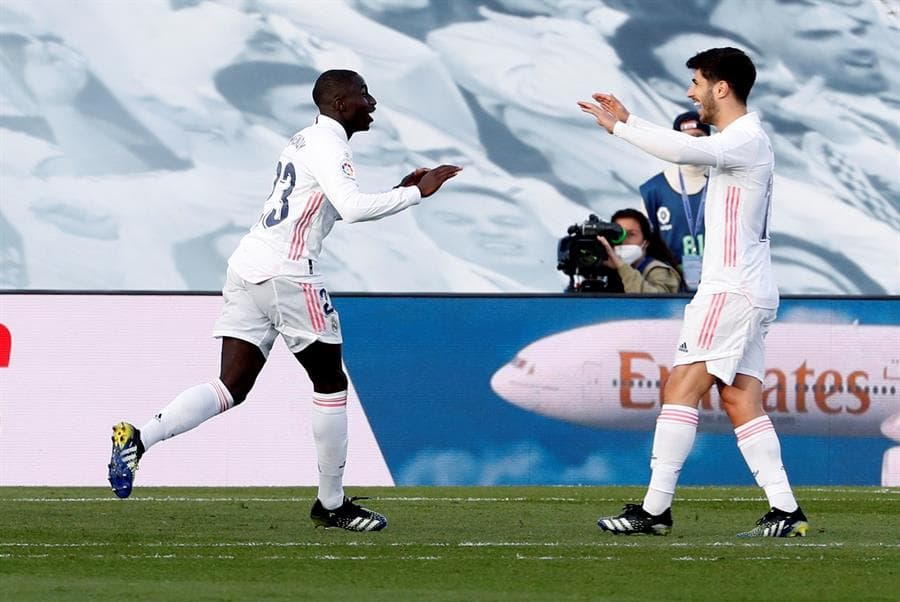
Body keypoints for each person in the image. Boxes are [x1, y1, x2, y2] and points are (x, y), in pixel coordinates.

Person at [106, 69, 462, 531]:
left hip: (248, 265)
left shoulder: (303, 140)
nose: (372, 102)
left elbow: (324, 205)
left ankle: (138, 438)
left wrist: (397, 190)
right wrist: (416, 193)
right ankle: (332, 505)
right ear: (338, 102)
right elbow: (351, 208)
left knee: (231, 385)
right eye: (363, 95)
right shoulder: (330, 145)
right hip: (287, 274)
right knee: (331, 382)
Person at [578, 47, 808, 537]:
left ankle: (656, 509)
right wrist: (630, 121)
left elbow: (684, 151)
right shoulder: (743, 139)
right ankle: (786, 510)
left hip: (730, 290)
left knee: (681, 388)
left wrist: (624, 125)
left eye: (697, 83)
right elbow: (690, 153)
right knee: (740, 399)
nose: (691, 93)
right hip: (748, 288)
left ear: (720, 88)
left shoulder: (744, 138)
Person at [638, 111, 710, 290]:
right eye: (684, 138)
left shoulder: (723, 182)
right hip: (669, 285)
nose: (692, 143)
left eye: (698, 137)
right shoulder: (653, 190)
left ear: (710, 140)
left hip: (717, 283)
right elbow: (642, 242)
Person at [597, 208, 682, 294]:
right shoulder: (608, 267)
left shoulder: (658, 270)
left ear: (646, 241)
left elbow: (655, 303)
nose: (624, 241)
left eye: (631, 234)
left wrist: (622, 267)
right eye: (617, 235)